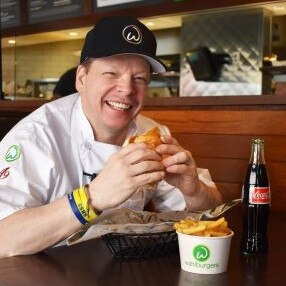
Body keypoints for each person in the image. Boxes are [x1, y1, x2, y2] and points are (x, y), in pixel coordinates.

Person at [0, 16, 222, 258]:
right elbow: (4, 238)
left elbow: (211, 212)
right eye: (111, 73)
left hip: (122, 269)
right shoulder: (37, 136)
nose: (127, 89)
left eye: (139, 79)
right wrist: (92, 197)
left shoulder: (153, 135)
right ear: (82, 79)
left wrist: (194, 192)